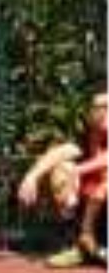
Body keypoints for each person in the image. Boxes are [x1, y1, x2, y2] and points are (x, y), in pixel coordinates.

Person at [10, 98, 107, 264]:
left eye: (106, 107)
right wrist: (32, 176)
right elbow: (62, 151)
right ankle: (78, 244)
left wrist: (78, 170)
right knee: (61, 169)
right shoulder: (87, 137)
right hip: (90, 205)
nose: (102, 111)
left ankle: (88, 238)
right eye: (98, 107)